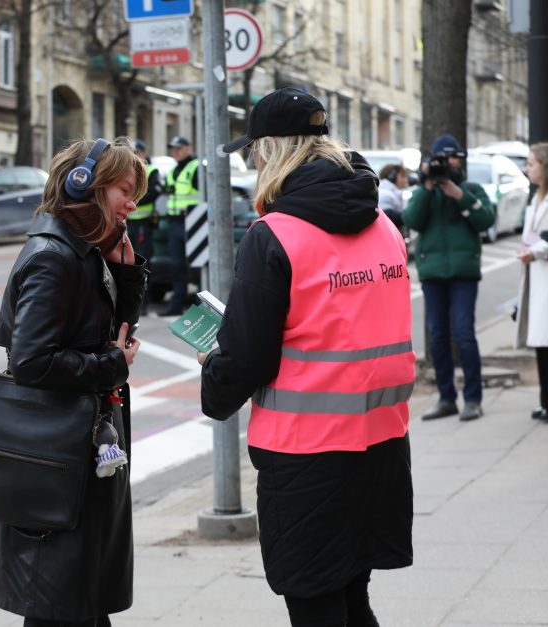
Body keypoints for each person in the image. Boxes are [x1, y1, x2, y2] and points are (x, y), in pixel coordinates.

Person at [199, 87, 415, 627]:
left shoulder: (274, 236)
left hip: (304, 454)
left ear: (273, 150)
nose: (251, 160)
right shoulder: (384, 226)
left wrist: (214, 377)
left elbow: (247, 357)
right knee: (352, 597)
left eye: (254, 149)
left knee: (315, 603)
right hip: (381, 443)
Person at [0, 136, 147, 626]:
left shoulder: (85, 251)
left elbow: (109, 330)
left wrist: (126, 278)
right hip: (55, 459)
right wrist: (112, 366)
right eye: (124, 189)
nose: (132, 203)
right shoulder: (52, 257)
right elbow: (34, 362)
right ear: (87, 185)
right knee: (59, 604)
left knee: (80, 600)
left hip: (77, 453)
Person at [402, 134, 495, 421]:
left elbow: (486, 220)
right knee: (438, 336)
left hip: (464, 274)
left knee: (464, 334)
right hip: (432, 275)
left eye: (452, 158)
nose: (447, 163)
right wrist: (428, 187)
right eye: (442, 159)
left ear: (460, 160)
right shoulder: (425, 191)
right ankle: (446, 398)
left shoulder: (471, 189)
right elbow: (412, 220)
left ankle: (473, 399)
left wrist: (458, 194)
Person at [516, 143, 548, 421]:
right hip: (539, 276)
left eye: (532, 164)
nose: (527, 169)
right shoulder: (538, 196)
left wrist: (534, 251)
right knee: (544, 346)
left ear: (546, 166)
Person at [162, 135, 200, 316]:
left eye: (178, 148)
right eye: (173, 148)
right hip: (175, 222)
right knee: (177, 266)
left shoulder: (196, 168)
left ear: (189, 148)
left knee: (197, 266)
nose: (174, 151)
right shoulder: (174, 170)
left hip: (193, 222)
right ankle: (176, 306)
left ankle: (202, 307)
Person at [128, 139, 163, 314]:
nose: (133, 156)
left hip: (143, 225)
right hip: (128, 224)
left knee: (142, 265)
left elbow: (154, 193)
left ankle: (143, 304)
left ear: (143, 153)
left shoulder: (151, 171)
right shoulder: (127, 170)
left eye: (136, 152)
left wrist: (133, 200)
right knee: (127, 265)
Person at [377, 162, 409, 228]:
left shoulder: (390, 192)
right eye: (402, 176)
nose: (406, 180)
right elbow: (388, 218)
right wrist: (410, 214)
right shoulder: (385, 193)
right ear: (392, 177)